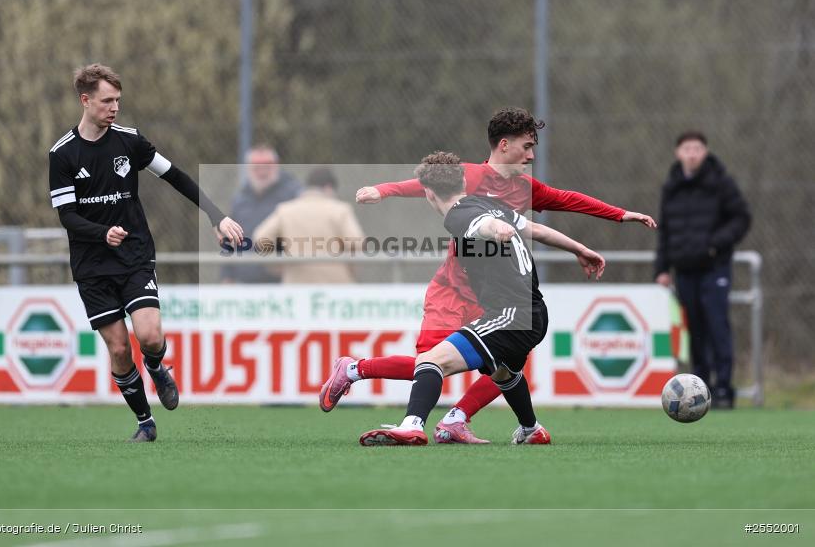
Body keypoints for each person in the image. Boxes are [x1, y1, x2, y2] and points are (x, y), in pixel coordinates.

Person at [320, 107, 656, 444]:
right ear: (505, 145)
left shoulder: (517, 192)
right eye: (526, 146)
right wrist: (384, 190)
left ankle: (448, 419)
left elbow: (564, 200)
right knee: (446, 365)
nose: (532, 155)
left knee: (452, 365)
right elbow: (427, 185)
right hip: (456, 288)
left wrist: (618, 215)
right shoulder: (466, 177)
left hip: (502, 297)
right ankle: (356, 371)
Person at [48, 63, 243, 442]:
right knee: (119, 348)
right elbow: (67, 217)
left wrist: (216, 217)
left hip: (134, 255)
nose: (114, 107)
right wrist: (102, 233)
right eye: (107, 101)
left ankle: (156, 366)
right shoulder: (62, 154)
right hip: (92, 266)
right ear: (85, 101)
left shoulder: (129, 141)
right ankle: (145, 422)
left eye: (118, 100)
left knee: (149, 335)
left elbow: (176, 176)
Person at [360, 152, 605, 446]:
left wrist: (496, 229)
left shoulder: (460, 215)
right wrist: (580, 249)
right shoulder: (492, 203)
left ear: (428, 194)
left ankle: (412, 425)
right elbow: (536, 230)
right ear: (464, 180)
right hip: (533, 312)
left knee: (431, 360)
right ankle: (531, 429)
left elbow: (481, 225)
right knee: (504, 372)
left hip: (511, 315)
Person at [654, 131, 750, 409]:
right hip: (685, 269)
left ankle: (724, 389)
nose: (693, 153)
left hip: (714, 267)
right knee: (695, 329)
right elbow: (665, 231)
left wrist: (714, 244)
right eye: (687, 148)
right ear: (678, 153)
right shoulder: (671, 186)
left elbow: (742, 218)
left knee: (717, 324)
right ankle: (701, 387)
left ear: (705, 152)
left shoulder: (720, 182)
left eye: (698, 148)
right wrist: (662, 268)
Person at [252, 167, 365, 283]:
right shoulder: (340, 210)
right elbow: (356, 241)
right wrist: (352, 268)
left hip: (296, 284)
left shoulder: (285, 211)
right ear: (329, 188)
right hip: (336, 284)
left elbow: (260, 238)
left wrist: (277, 266)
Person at [222, 146, 301, 284]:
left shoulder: (292, 195)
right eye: (257, 167)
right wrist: (227, 276)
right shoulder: (240, 200)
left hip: (281, 282)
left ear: (276, 166)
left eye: (268, 166)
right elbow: (230, 239)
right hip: (245, 282)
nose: (262, 171)